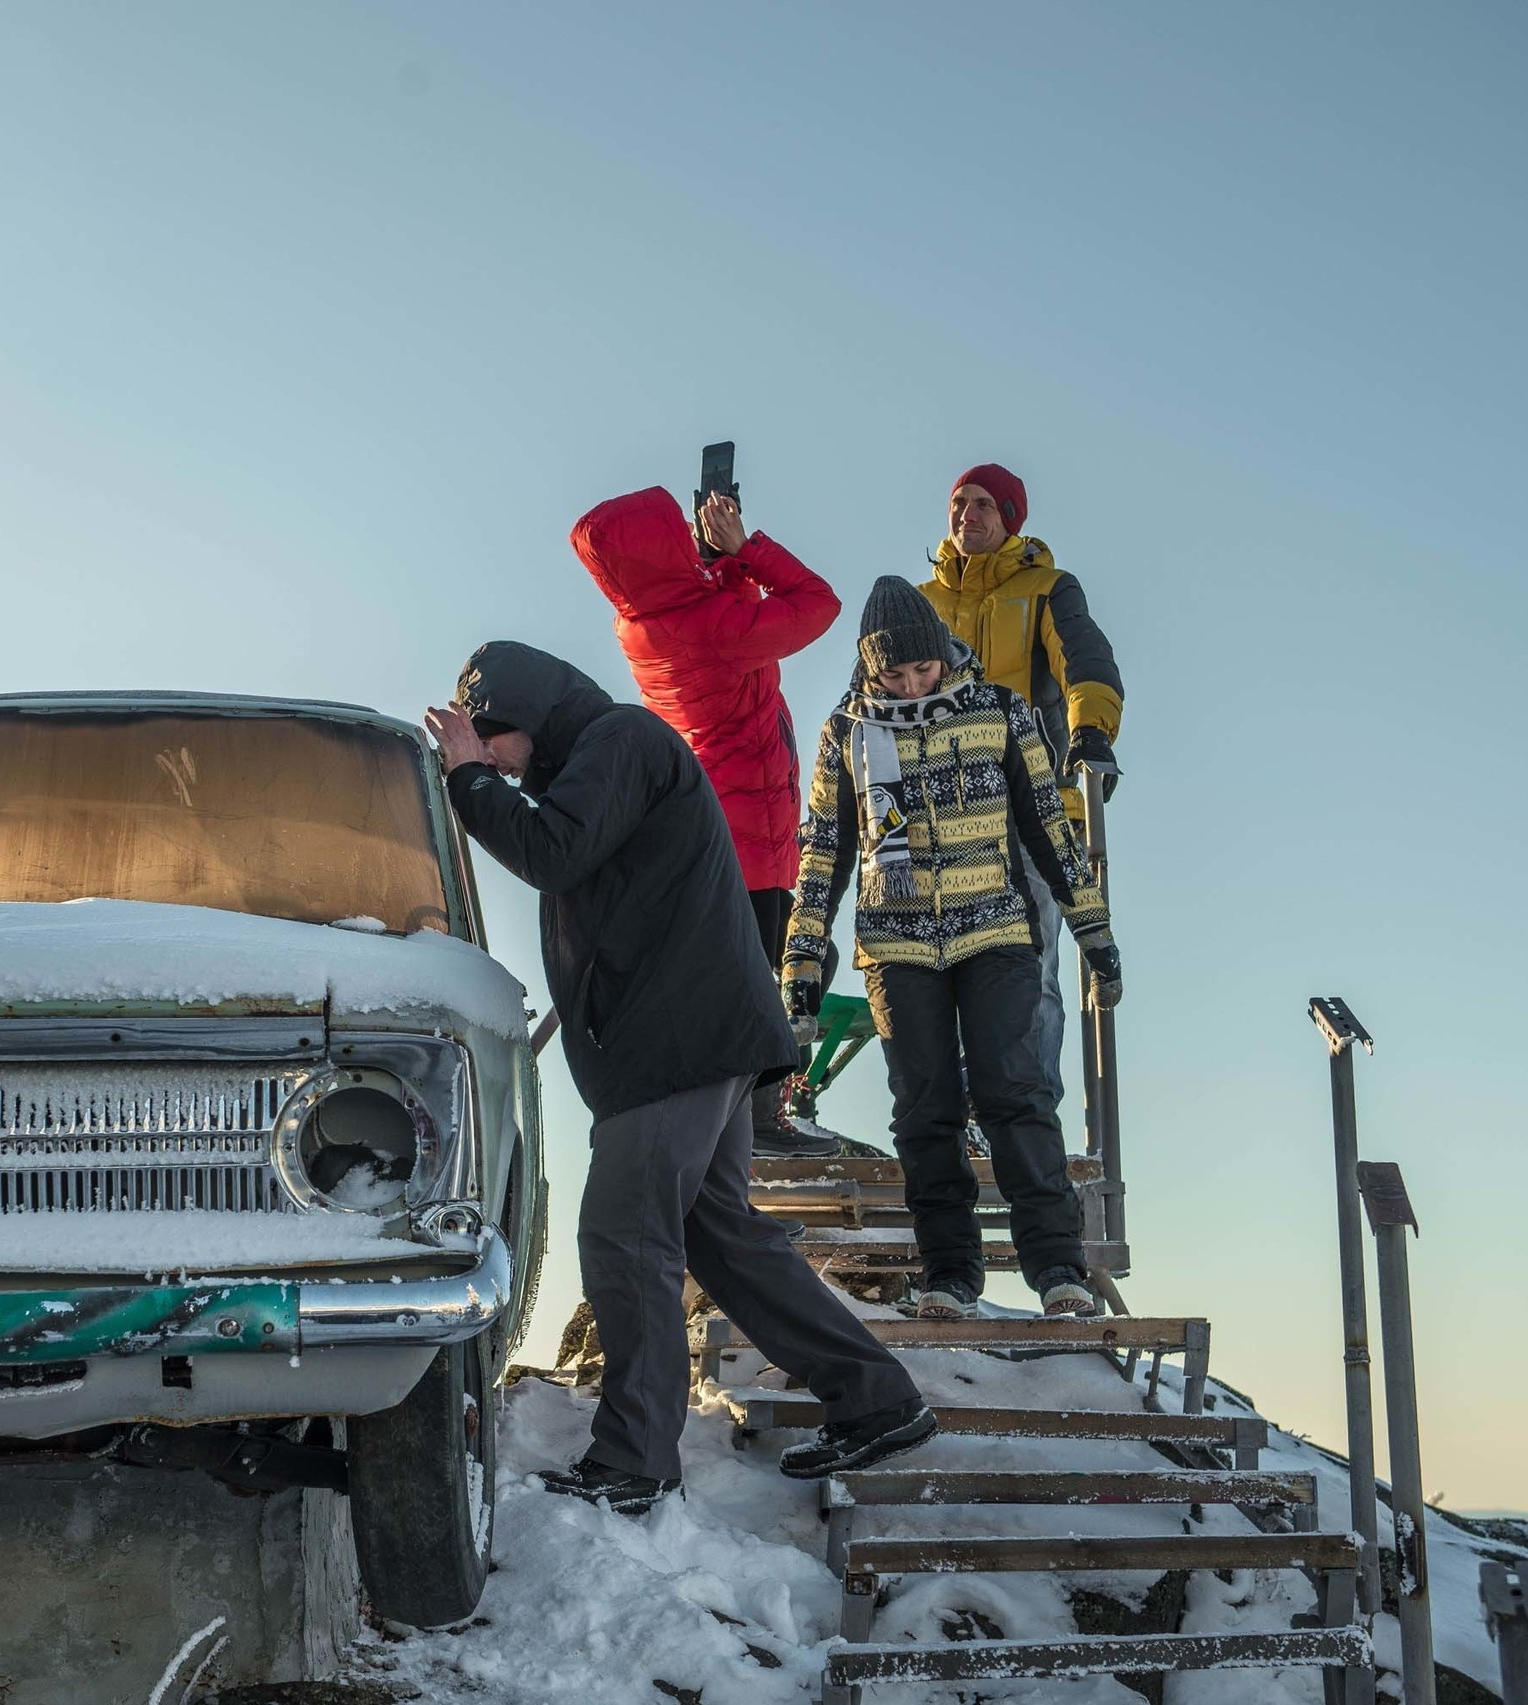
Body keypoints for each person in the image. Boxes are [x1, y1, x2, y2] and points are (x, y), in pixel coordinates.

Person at [426, 641, 931, 1511]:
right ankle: (878, 1401)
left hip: (675, 1043)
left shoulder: (620, 742)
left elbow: (552, 853)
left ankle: (634, 1461)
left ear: (527, 718)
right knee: (719, 1236)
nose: (491, 760)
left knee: (625, 1238)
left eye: (492, 740)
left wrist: (469, 782)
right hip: (696, 1039)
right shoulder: (604, 759)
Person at [782, 578, 1124, 1321]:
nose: (910, 686)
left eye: (922, 671)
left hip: (994, 930)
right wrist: (802, 961)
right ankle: (949, 1275)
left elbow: (1047, 828)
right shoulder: (849, 732)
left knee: (1013, 1090)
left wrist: (1093, 930)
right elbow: (823, 853)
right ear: (872, 672)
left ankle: (1057, 1268)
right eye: (894, 677)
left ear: (943, 655)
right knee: (924, 1109)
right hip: (895, 945)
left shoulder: (1002, 714)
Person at [570, 487, 843, 1155]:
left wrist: (722, 564)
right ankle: (757, 1120)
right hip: (752, 833)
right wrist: (747, 548)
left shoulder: (644, 617)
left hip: (719, 830)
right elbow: (817, 605)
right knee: (778, 974)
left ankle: (734, 1115)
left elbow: (711, 605)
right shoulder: (711, 627)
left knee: (763, 971)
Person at [918, 464, 1123, 1105]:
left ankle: (1027, 1111)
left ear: (1010, 519)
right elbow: (876, 690)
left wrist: (1091, 732)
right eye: (959, 503)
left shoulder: (1047, 589)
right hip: (943, 815)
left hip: (1029, 808)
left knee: (1028, 970)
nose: (967, 515)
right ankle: (965, 1119)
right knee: (944, 968)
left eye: (983, 505)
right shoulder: (922, 603)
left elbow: (1085, 659)